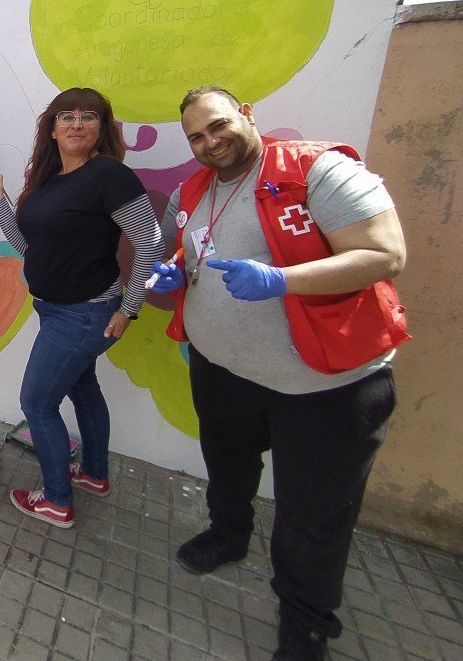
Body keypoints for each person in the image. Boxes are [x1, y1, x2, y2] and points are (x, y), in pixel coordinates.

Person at [149, 86, 408, 661]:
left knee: (313, 514)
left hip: (325, 388)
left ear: (246, 115)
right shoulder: (193, 190)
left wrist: (282, 280)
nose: (210, 142)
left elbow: (385, 254)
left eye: (218, 125)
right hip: (222, 371)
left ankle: (307, 622)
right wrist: (173, 271)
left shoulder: (321, 171)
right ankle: (228, 534)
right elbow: (191, 249)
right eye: (196, 136)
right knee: (228, 466)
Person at [0, 88, 161, 529]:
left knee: (37, 404)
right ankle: (94, 475)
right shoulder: (52, 181)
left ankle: (57, 501)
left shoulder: (108, 175)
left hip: (84, 313)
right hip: (56, 310)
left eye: (87, 116)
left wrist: (129, 309)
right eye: (66, 116)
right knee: (83, 390)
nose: (76, 123)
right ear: (53, 128)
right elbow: (31, 248)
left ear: (102, 127)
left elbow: (151, 243)